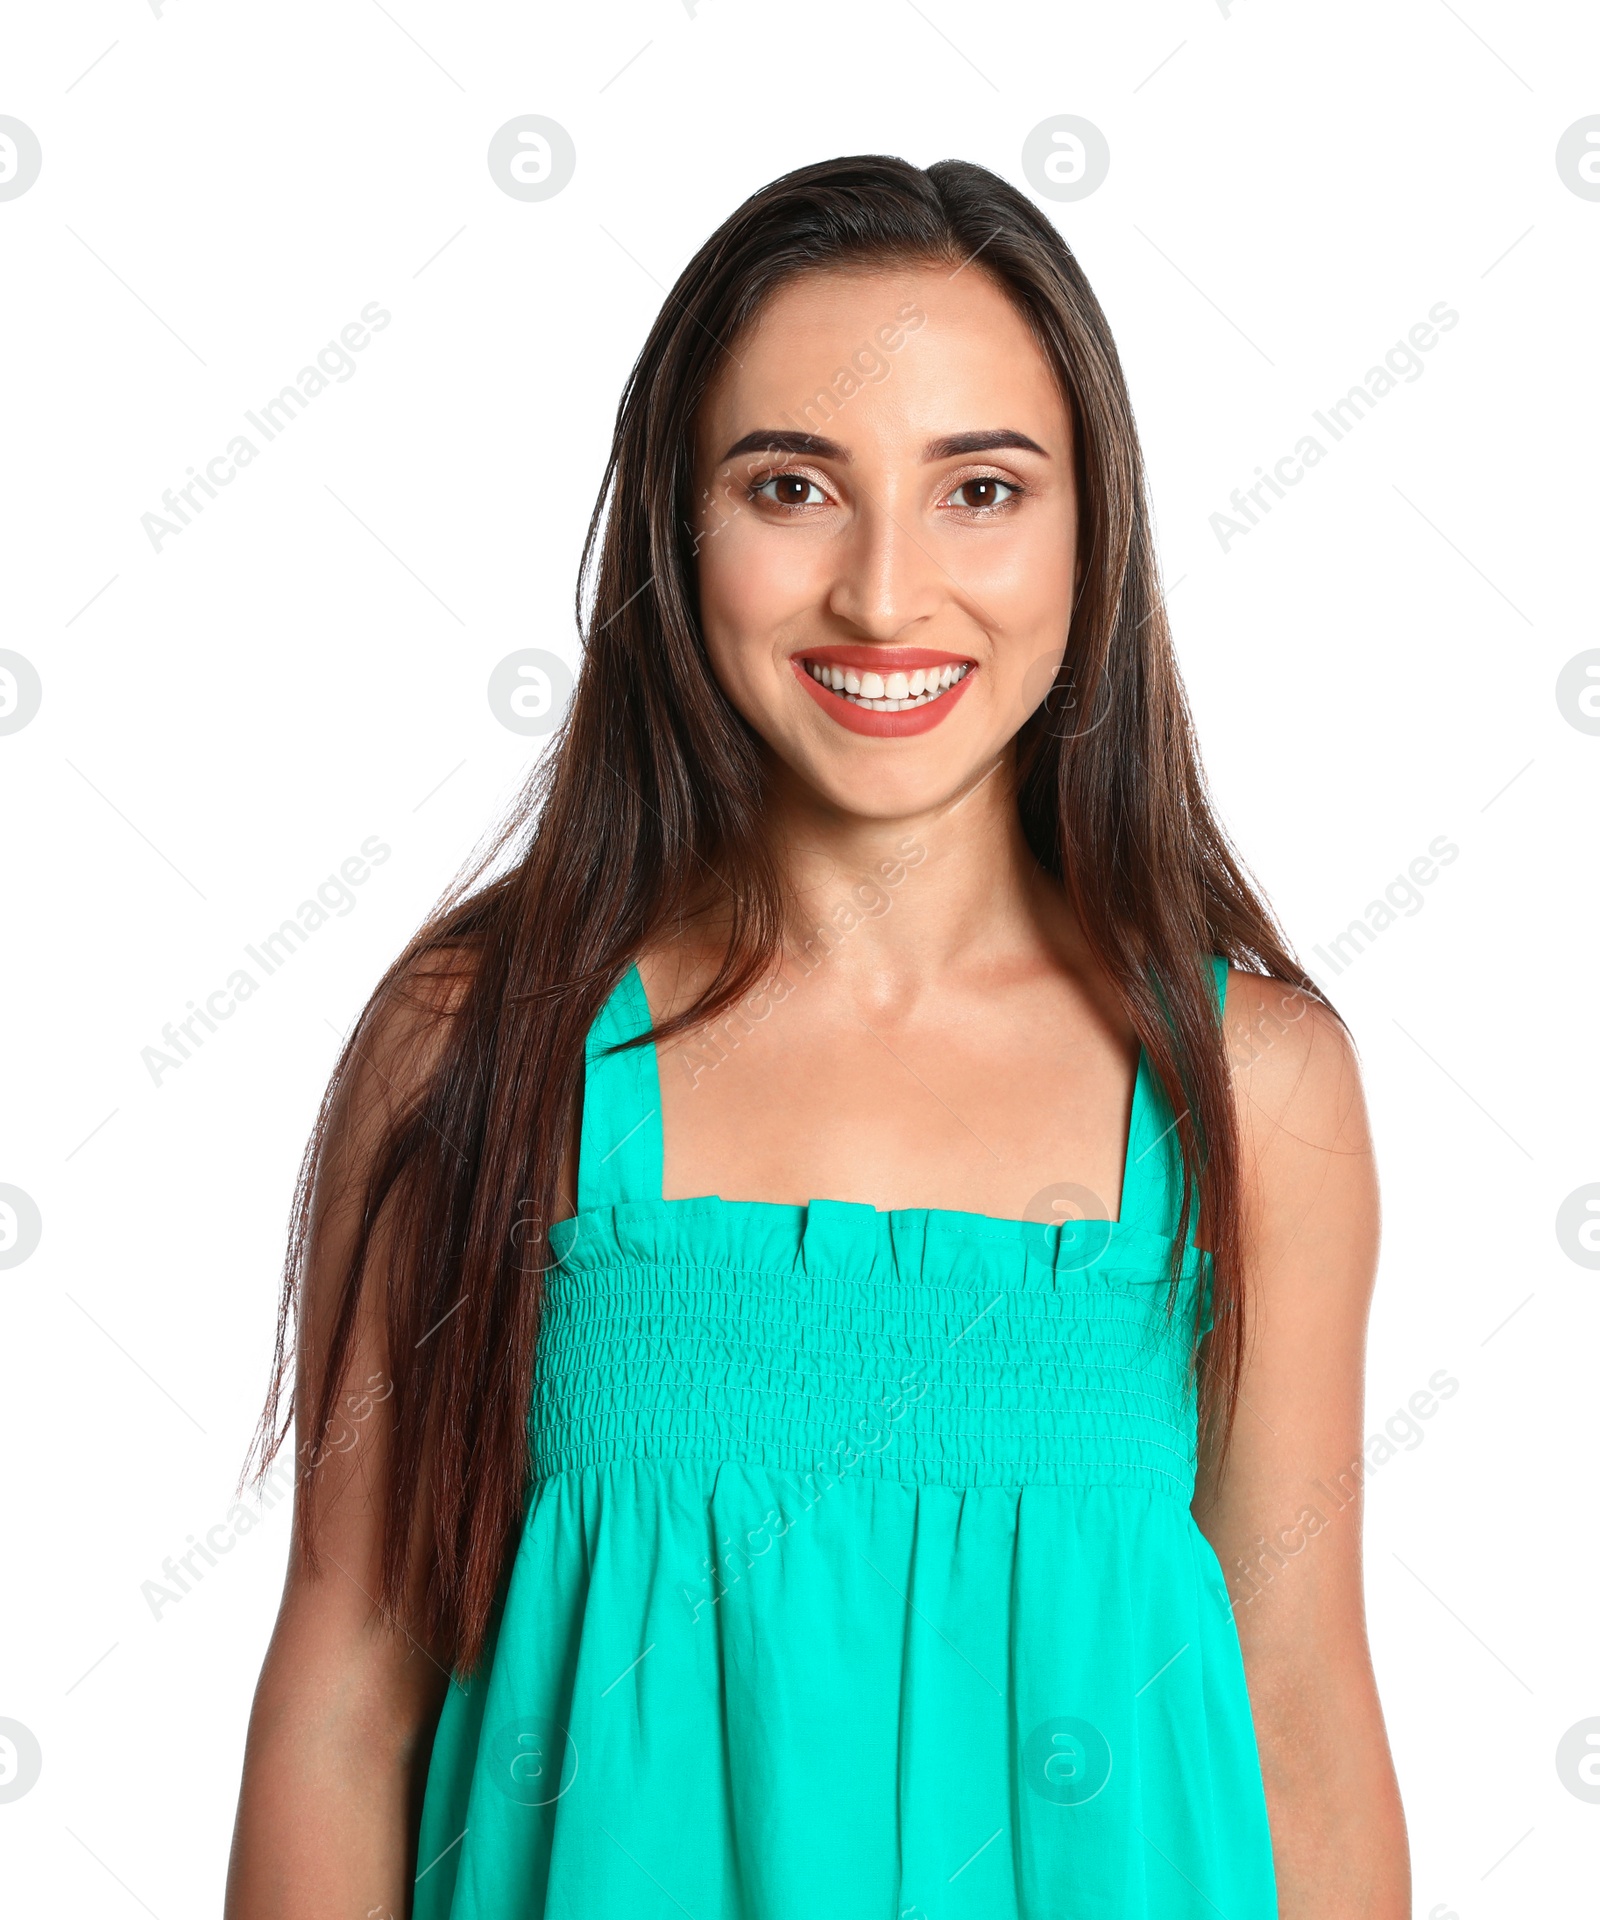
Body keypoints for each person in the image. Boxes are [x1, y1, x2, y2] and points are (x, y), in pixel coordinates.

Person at [225, 154, 1410, 1918]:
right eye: (792, 485)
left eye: (980, 490)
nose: (882, 592)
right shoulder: (481, 1049)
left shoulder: (1254, 1090)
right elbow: (344, 1699)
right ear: (674, 526)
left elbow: (1300, 1718)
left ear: (1093, 534)